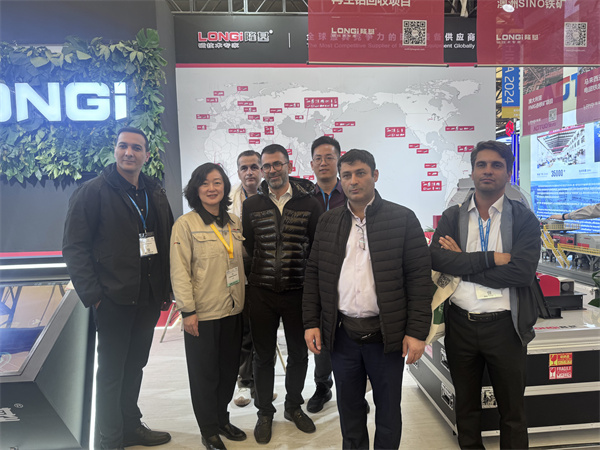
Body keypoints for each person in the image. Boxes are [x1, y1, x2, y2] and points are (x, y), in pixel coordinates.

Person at [303, 149, 432, 450]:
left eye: (360, 173)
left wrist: (417, 332)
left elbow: (419, 280)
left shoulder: (402, 219)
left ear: (375, 175)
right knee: (350, 411)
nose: (353, 181)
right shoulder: (328, 222)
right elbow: (314, 275)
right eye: (346, 175)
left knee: (388, 411)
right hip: (343, 336)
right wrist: (311, 322)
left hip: (386, 337)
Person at [63, 127, 173, 450]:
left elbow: (165, 240)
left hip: (148, 297)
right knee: (111, 372)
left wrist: (165, 289)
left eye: (136, 148)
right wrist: (94, 296)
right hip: (112, 299)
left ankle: (130, 426)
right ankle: (109, 439)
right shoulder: (92, 192)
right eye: (123, 146)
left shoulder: (155, 191)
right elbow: (74, 247)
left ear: (147, 155)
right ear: (114, 150)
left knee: (135, 365)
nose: (129, 153)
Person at [430, 140, 541, 449]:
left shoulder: (524, 219)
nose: (488, 171)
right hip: (460, 326)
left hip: (506, 328)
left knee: (513, 412)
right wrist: (492, 258)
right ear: (472, 171)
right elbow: (437, 259)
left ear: (508, 172)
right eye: (481, 165)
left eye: (496, 165)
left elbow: (521, 273)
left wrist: (462, 263)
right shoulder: (452, 216)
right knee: (466, 409)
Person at [242, 144, 323, 444]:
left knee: (299, 354)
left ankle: (293, 406)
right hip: (261, 292)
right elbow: (249, 246)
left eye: (278, 164)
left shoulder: (310, 203)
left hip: (297, 291)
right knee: (262, 356)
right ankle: (265, 412)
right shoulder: (251, 205)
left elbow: (316, 248)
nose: (272, 170)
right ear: (262, 170)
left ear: (289, 165)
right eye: (267, 166)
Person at [170, 163, 246, 450]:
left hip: (233, 309)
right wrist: (188, 311)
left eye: (217, 182)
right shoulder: (185, 224)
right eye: (205, 183)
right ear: (196, 189)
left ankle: (222, 419)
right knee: (204, 375)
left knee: (228, 371)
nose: (212, 188)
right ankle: (208, 430)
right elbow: (179, 271)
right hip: (202, 314)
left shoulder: (234, 222)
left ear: (225, 187)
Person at [306, 136, 346, 414]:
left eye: (329, 157)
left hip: (351, 276)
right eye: (318, 158)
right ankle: (322, 386)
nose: (323, 163)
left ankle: (351, 390)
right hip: (318, 277)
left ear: (338, 161)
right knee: (321, 334)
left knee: (350, 337)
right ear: (311, 164)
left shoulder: (353, 192)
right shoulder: (305, 200)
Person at [229, 150, 263, 408]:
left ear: (261, 169)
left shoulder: (272, 196)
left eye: (254, 167)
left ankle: (260, 384)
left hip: (265, 270)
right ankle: (243, 382)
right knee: (242, 331)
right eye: (244, 168)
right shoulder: (227, 199)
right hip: (237, 270)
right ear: (239, 171)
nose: (249, 172)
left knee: (261, 330)